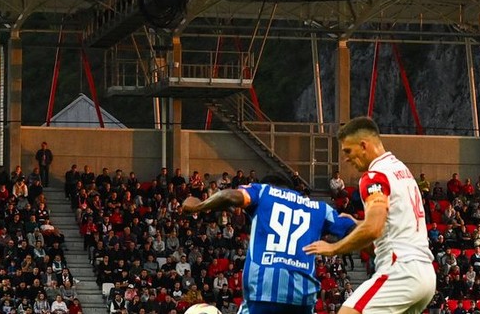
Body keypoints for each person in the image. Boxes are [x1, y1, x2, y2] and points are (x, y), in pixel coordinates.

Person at [305, 116, 436, 314]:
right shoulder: (401, 170)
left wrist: (333, 249)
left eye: (348, 151)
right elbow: (393, 222)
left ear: (363, 145)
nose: (346, 158)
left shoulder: (374, 176)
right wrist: (359, 222)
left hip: (400, 270)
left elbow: (374, 228)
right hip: (425, 274)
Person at [182, 173, 355, 314]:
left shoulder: (264, 191)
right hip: (302, 299)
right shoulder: (320, 208)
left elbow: (231, 195)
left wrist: (201, 206)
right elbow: (354, 230)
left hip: (263, 294)